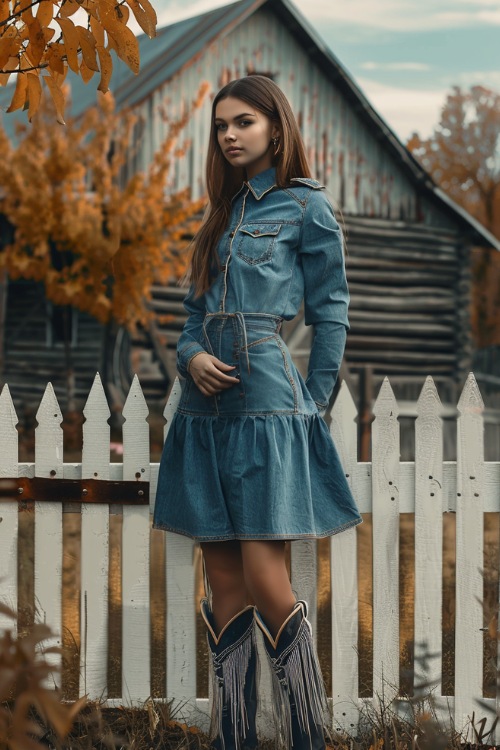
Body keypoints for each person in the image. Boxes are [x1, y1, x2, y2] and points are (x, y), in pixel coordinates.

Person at [153, 75, 362, 750]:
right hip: (202, 410)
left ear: (276, 125)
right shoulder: (219, 213)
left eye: (243, 122)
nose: (230, 135)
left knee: (268, 579)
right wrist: (189, 358)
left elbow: (330, 311)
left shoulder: (307, 210)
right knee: (222, 582)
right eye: (220, 126)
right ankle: (234, 738)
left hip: (266, 402)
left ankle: (308, 737)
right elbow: (191, 316)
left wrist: (317, 400)